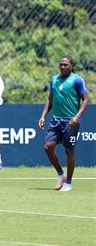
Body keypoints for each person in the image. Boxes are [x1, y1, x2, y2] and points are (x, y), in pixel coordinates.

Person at [38, 55, 90, 192]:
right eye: (61, 64)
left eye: (65, 64)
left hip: (70, 122)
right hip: (56, 120)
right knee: (48, 147)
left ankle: (68, 183)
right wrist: (43, 116)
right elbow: (50, 99)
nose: (62, 66)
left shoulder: (77, 80)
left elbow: (86, 99)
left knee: (69, 150)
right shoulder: (54, 79)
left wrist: (76, 117)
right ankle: (61, 174)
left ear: (71, 66)